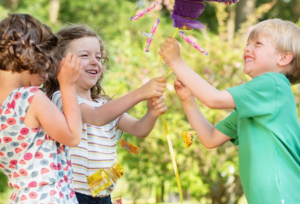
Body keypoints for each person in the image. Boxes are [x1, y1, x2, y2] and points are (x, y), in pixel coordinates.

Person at [159, 19, 300, 204]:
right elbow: (210, 138)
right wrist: (188, 101)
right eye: (248, 43)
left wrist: (177, 62)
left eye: (258, 43)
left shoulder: (273, 83)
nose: (247, 48)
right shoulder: (255, 106)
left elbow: (214, 99)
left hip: (282, 196)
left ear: (284, 58)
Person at [43, 25, 167, 204]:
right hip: (72, 194)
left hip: (103, 196)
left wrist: (152, 113)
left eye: (98, 57)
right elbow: (95, 117)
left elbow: (139, 129)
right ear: (60, 64)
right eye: (85, 55)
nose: (95, 61)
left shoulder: (104, 105)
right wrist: (140, 93)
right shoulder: (62, 97)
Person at [0, 14, 83, 203]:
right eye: (49, 62)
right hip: (50, 196)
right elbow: (72, 135)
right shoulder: (30, 97)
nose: (49, 72)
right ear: (36, 56)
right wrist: (68, 85)